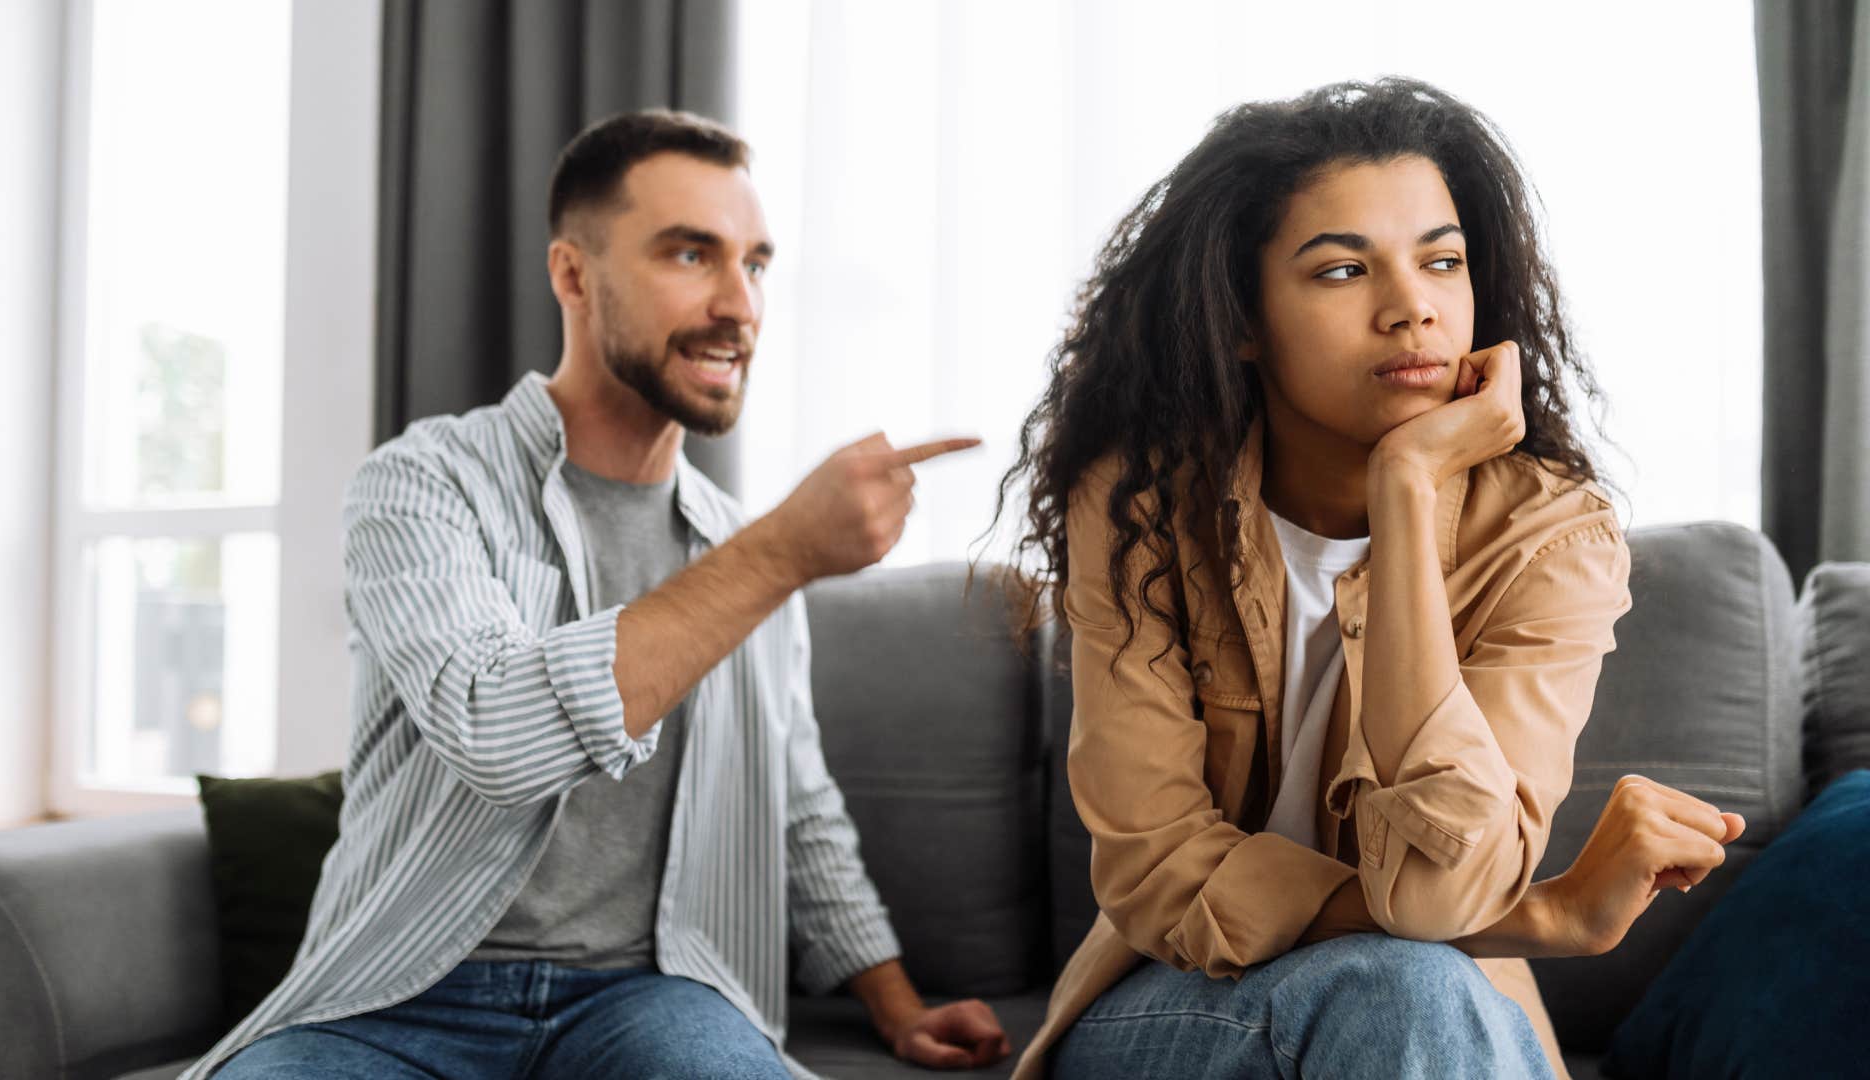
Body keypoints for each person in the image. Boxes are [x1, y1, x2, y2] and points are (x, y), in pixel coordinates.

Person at [195, 110, 1010, 1080]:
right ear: (573, 276)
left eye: (755, 263)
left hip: (650, 996)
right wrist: (784, 550)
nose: (740, 304)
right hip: (395, 996)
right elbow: (497, 731)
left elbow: (798, 806)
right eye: (691, 254)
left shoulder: (746, 548)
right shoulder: (422, 482)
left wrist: (898, 1007)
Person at [989, 78, 1747, 1080]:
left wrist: (1406, 487)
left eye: (1442, 261)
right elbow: (1155, 871)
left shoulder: (1550, 536)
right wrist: (1540, 918)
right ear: (1243, 318)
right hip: (1184, 1000)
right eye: (1343, 270)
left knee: (1413, 988)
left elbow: (1439, 895)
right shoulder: (1139, 511)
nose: (1412, 308)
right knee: (1402, 986)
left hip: (1443, 1011)